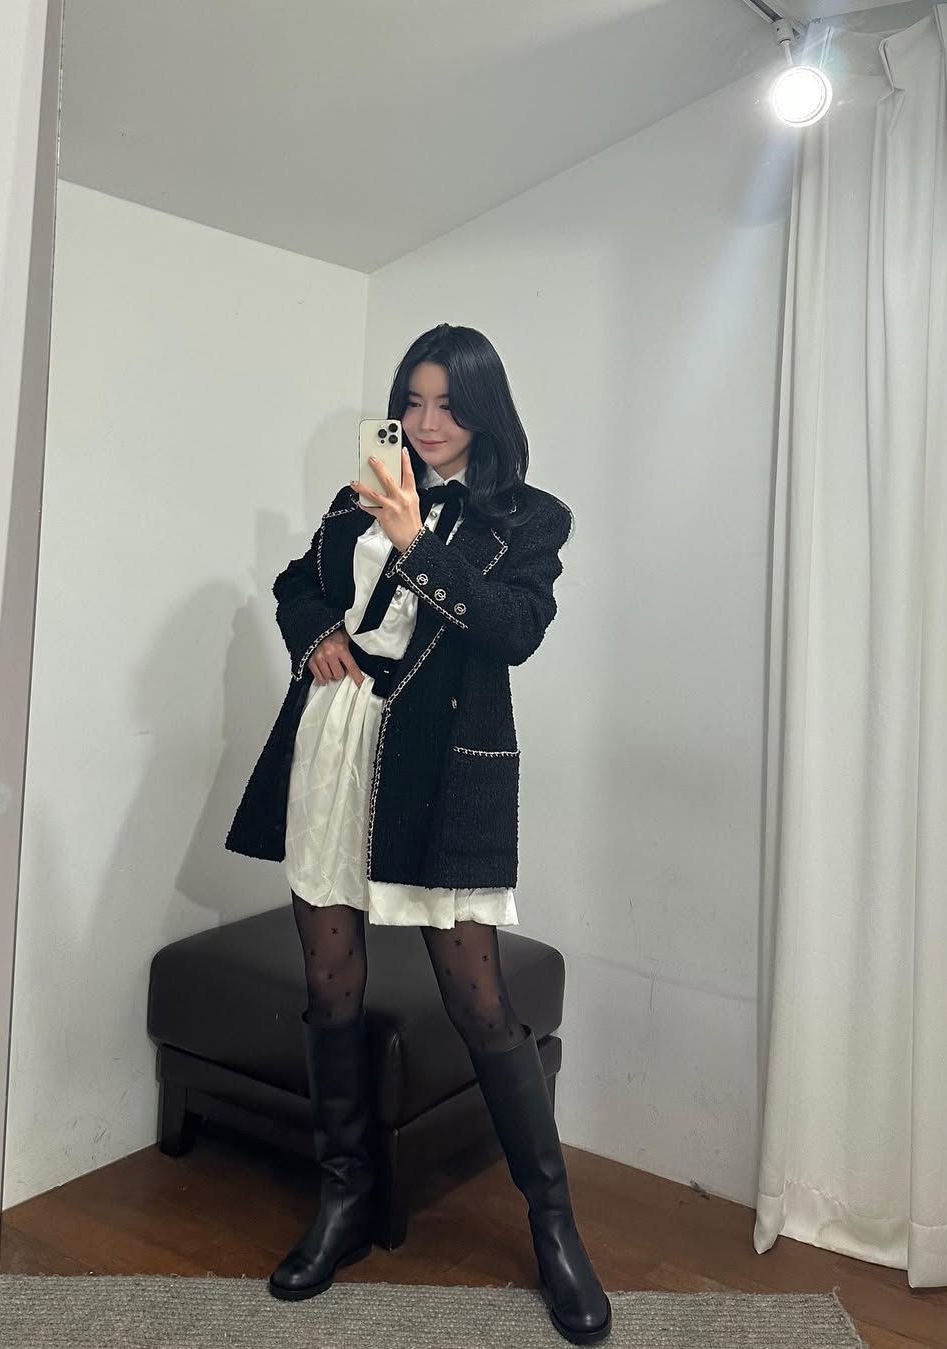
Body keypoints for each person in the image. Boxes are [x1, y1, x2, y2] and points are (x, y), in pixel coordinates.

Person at [225, 324, 611, 1345]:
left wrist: (414, 541)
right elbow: (297, 582)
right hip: (336, 743)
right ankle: (345, 1196)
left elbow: (513, 629)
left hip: (437, 765)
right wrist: (316, 633)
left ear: (486, 409)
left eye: (449, 402)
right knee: (329, 982)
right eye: (414, 400)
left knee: (479, 998)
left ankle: (554, 1226)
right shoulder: (360, 492)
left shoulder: (530, 516)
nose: (429, 422)